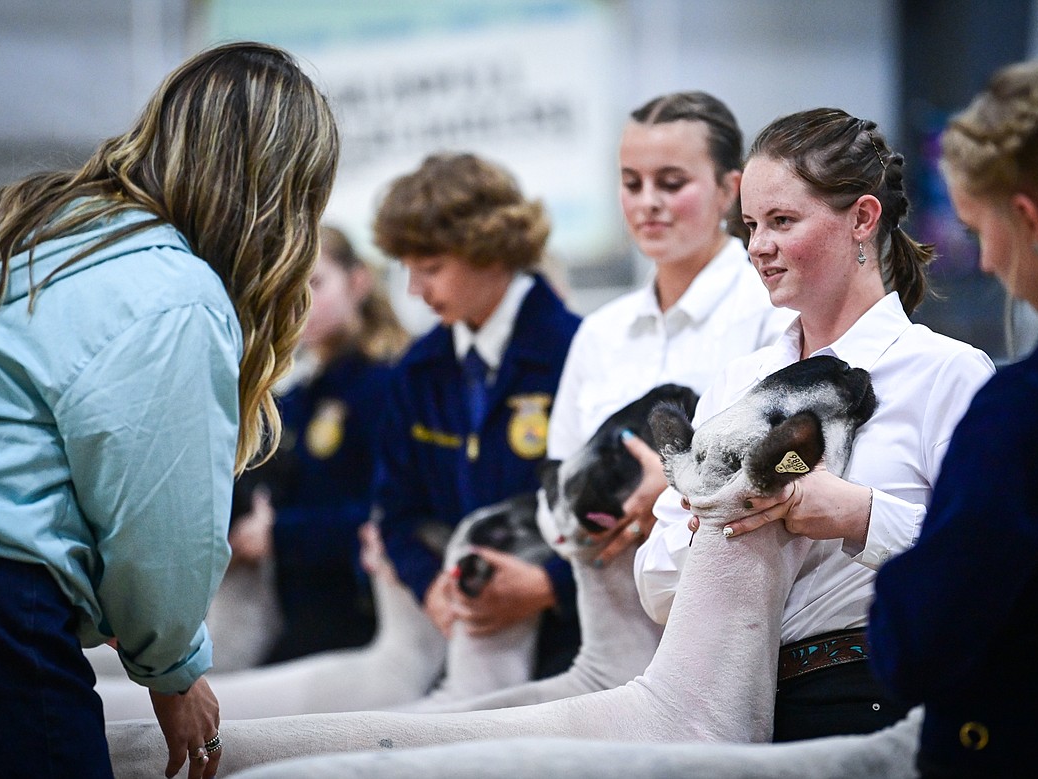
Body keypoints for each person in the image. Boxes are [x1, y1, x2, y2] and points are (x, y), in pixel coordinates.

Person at [0, 42, 338, 779]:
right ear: (281, 192)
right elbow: (160, 528)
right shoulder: (172, 291)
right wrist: (174, 670)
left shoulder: (17, 224)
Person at [635, 107, 996, 741]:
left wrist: (860, 515)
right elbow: (655, 586)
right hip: (731, 703)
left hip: (878, 699)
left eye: (782, 222)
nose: (758, 247)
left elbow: (993, 563)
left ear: (862, 218)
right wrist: (712, 525)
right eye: (750, 225)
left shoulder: (946, 374)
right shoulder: (736, 383)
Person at [869, 48, 1038, 777]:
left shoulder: (1027, 412)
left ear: (1030, 218)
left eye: (977, 231)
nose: (990, 262)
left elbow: (918, 642)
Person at [546, 91, 794, 566]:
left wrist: (680, 489)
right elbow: (554, 486)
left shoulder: (774, 314)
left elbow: (797, 465)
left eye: (672, 182)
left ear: (730, 189)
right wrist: (585, 515)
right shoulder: (600, 334)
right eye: (632, 183)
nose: (648, 203)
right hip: (606, 613)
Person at [372, 152, 583, 679]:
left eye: (431, 269)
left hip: (572, 648)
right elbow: (396, 512)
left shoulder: (578, 350)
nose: (415, 291)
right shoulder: (416, 371)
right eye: (408, 270)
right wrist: (430, 589)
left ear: (490, 251)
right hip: (466, 646)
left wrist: (550, 585)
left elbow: (620, 516)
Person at [227, 225, 411, 664]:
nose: (298, 302)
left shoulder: (387, 384)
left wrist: (280, 535)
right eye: (286, 286)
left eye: (314, 283)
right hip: (299, 610)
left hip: (361, 621)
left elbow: (387, 513)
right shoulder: (299, 392)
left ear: (358, 280)